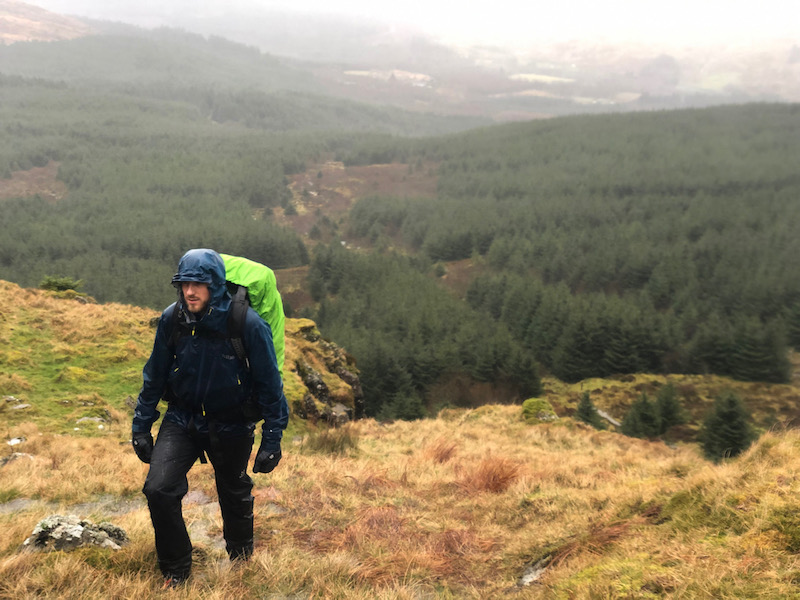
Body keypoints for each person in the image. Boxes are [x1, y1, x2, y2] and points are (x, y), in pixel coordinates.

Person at [131, 248, 288, 588]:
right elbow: (154, 375)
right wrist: (141, 426)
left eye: (199, 284)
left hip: (232, 422)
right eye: (185, 283)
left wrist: (272, 439)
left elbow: (270, 385)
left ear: (216, 285)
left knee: (233, 491)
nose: (190, 291)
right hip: (181, 419)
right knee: (158, 489)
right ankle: (176, 569)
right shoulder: (172, 318)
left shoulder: (247, 324)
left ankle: (241, 557)